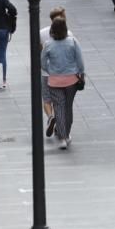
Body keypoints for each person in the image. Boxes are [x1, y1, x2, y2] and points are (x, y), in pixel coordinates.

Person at [40, 17, 85, 150]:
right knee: (68, 107)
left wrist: (50, 70)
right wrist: (81, 73)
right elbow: (80, 61)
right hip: (71, 80)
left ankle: (62, 137)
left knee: (59, 107)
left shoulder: (48, 44)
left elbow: (42, 63)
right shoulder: (72, 41)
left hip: (54, 81)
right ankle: (67, 133)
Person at [39, 7, 73, 140]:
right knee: (61, 103)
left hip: (46, 72)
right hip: (63, 73)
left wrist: (44, 67)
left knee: (47, 99)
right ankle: (61, 129)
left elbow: (39, 51)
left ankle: (50, 117)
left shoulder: (42, 33)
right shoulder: (69, 34)